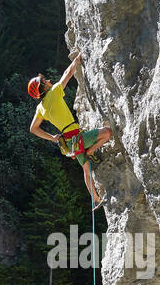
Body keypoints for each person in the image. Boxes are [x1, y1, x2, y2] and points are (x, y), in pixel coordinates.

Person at [28, 47, 112, 208]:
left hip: (69, 145)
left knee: (86, 169)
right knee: (107, 133)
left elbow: (33, 128)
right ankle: (91, 150)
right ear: (43, 88)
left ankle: (95, 199)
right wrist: (77, 60)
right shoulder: (54, 92)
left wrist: (52, 138)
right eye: (44, 81)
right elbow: (67, 75)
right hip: (78, 138)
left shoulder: (40, 108)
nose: (47, 81)